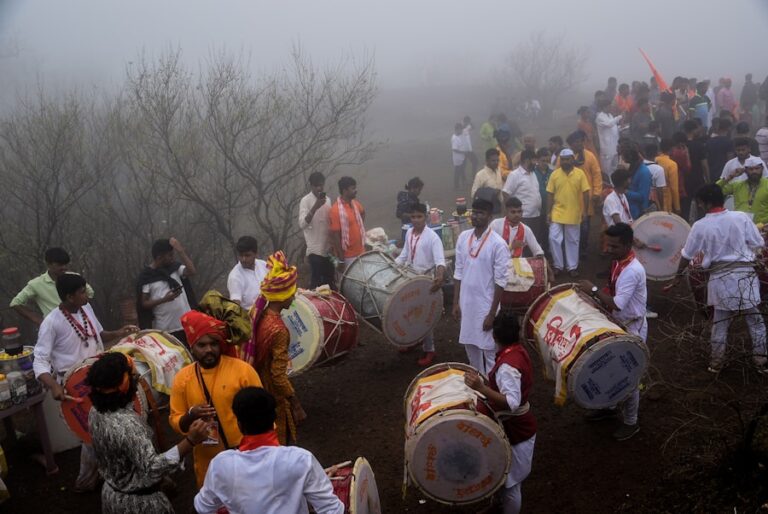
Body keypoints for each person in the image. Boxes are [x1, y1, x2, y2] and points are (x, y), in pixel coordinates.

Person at [33, 273, 137, 492]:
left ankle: (118, 472)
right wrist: (54, 386)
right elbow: (40, 360)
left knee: (112, 427)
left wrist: (119, 332)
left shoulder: (86, 309)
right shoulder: (51, 322)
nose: (86, 294)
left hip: (100, 378)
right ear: (70, 296)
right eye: (82, 291)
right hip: (75, 386)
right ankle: (85, 482)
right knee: (90, 435)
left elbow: (98, 334)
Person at [87, 352, 211, 514]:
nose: (138, 380)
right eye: (135, 378)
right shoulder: (127, 425)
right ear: (123, 386)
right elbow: (153, 467)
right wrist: (190, 441)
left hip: (112, 495)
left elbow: (126, 457)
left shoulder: (95, 411)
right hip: (139, 505)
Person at [666, 184, 767, 374]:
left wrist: (678, 277)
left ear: (704, 203)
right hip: (745, 276)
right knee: (755, 321)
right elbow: (758, 243)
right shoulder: (741, 217)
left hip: (720, 279)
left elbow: (687, 255)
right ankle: (761, 361)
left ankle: (716, 363)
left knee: (720, 323)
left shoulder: (700, 225)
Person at [194, 387, 344, 514]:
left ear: (239, 425)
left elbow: (202, 507)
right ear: (274, 420)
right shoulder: (300, 460)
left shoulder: (221, 465)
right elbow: (332, 510)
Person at [169, 310, 263, 487]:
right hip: (209, 465)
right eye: (202, 345)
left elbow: (263, 413)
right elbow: (175, 420)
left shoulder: (242, 370)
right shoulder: (182, 379)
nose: (209, 350)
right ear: (191, 347)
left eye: (214, 344)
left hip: (248, 457)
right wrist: (191, 415)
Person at [578, 223, 646, 440]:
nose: (608, 250)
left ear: (627, 245)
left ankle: (631, 422)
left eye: (614, 246)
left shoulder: (632, 270)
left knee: (629, 376)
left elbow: (617, 303)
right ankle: (607, 408)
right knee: (608, 367)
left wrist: (593, 290)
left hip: (632, 328)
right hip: (619, 325)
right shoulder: (619, 262)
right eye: (607, 244)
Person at [464, 312, 536, 514]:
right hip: (513, 427)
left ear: (494, 337)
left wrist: (481, 388)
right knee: (500, 473)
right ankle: (498, 506)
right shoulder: (517, 351)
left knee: (512, 483)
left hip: (516, 430)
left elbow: (512, 403)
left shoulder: (507, 366)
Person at [244, 251, 306, 444]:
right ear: (283, 295)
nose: (294, 297)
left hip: (258, 384)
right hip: (272, 394)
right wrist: (295, 402)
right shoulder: (279, 330)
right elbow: (278, 375)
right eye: (292, 292)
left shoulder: (259, 315)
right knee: (279, 440)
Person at [452, 198, 509, 374]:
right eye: (474, 212)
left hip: (486, 305)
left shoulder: (498, 244)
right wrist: (455, 302)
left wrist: (492, 314)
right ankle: (478, 386)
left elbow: (501, 282)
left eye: (480, 213)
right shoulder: (463, 237)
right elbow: (458, 271)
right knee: (470, 346)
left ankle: (492, 391)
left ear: (490, 216)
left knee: (489, 351)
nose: (476, 216)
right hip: (466, 303)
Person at [395, 203, 446, 366]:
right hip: (410, 280)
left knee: (425, 316)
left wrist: (439, 277)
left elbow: (440, 261)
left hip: (426, 282)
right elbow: (404, 255)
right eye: (413, 217)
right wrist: (391, 266)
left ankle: (430, 350)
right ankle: (413, 340)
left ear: (426, 217)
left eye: (419, 217)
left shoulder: (433, 237)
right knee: (409, 312)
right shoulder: (409, 232)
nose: (416, 220)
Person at [11, 247, 94, 325]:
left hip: (80, 324)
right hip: (55, 328)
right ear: (48, 264)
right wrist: (38, 320)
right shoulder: (36, 284)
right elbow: (15, 303)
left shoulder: (74, 277)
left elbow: (90, 293)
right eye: (59, 265)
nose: (64, 268)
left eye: (65, 264)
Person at [137, 238, 196, 344]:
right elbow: (144, 303)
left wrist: (181, 251)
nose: (173, 258)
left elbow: (192, 271)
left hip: (187, 323)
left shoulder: (175, 268)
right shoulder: (147, 276)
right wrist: (165, 299)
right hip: (166, 329)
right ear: (159, 257)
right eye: (170, 256)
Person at [547, 149, 590, 277]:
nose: (565, 162)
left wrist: (585, 211)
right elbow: (550, 194)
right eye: (563, 159)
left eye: (567, 159)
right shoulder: (554, 174)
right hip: (557, 212)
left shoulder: (580, 174)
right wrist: (548, 213)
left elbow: (586, 192)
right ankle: (558, 266)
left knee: (573, 240)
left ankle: (572, 267)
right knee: (553, 238)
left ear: (572, 159)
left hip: (574, 212)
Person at [566, 130, 602, 258]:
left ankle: (583, 249)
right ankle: (572, 250)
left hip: (587, 198)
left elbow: (597, 175)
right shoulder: (565, 158)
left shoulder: (590, 156)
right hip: (570, 198)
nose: (580, 144)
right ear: (571, 145)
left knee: (585, 227)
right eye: (577, 142)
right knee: (571, 226)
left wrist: (597, 192)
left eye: (581, 141)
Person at [299, 171, 334, 290]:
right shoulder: (305, 200)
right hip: (314, 250)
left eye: (321, 185)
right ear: (311, 186)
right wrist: (315, 206)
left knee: (330, 283)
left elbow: (330, 222)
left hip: (328, 249)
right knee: (316, 283)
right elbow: (302, 223)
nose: (319, 188)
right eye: (316, 185)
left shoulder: (328, 200)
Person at [328, 176, 366, 271]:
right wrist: (341, 260)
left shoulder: (355, 204)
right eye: (353, 188)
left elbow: (363, 213)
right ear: (345, 191)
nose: (356, 190)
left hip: (361, 251)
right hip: (348, 256)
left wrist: (357, 228)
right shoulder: (336, 210)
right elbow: (335, 237)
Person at [502, 149, 542, 237]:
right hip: (523, 217)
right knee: (522, 243)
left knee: (533, 242)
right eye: (534, 160)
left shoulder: (533, 173)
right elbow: (506, 193)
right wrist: (510, 212)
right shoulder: (514, 175)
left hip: (536, 215)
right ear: (527, 160)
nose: (536, 163)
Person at [716, 156, 768, 223]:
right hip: (741, 226)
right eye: (751, 169)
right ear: (745, 171)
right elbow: (714, 190)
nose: (754, 171)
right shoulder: (737, 185)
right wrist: (730, 176)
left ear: (762, 169)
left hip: (763, 228)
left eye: (757, 168)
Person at [226, 236, 268, 310]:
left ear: (255, 254)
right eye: (241, 255)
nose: (243, 259)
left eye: (247, 255)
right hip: (250, 318)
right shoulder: (235, 277)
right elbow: (235, 307)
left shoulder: (264, 265)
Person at [596, 98, 623, 181]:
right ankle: (608, 185)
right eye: (609, 106)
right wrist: (619, 117)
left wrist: (620, 127)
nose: (611, 107)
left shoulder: (610, 115)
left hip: (615, 146)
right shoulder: (600, 117)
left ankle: (614, 183)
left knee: (615, 167)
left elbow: (613, 128)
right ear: (604, 107)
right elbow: (609, 124)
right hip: (606, 148)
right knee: (607, 169)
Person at [471, 148, 504, 214]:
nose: (496, 162)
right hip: (487, 211)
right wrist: (491, 192)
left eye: (497, 160)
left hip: (500, 208)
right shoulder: (480, 175)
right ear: (487, 161)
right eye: (493, 160)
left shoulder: (499, 170)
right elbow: (474, 194)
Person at [623, 147, 652, 220]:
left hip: (638, 212)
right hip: (630, 209)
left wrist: (625, 192)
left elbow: (643, 197)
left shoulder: (644, 172)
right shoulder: (633, 168)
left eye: (626, 161)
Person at [657, 139, 681, 215]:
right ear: (671, 149)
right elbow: (674, 188)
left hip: (655, 200)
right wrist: (677, 207)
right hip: (666, 201)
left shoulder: (655, 159)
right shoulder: (672, 164)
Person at [644, 143, 667, 211]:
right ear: (657, 153)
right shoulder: (658, 169)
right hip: (653, 204)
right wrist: (662, 208)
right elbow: (660, 191)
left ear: (644, 153)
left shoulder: (639, 166)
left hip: (641, 203)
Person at [452, 122, 470, 189]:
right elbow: (454, 149)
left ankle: (463, 183)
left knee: (461, 170)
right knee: (457, 172)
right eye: (460, 130)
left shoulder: (458, 136)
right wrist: (463, 152)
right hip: (458, 159)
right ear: (457, 129)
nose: (461, 131)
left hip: (461, 158)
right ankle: (456, 186)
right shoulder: (455, 138)